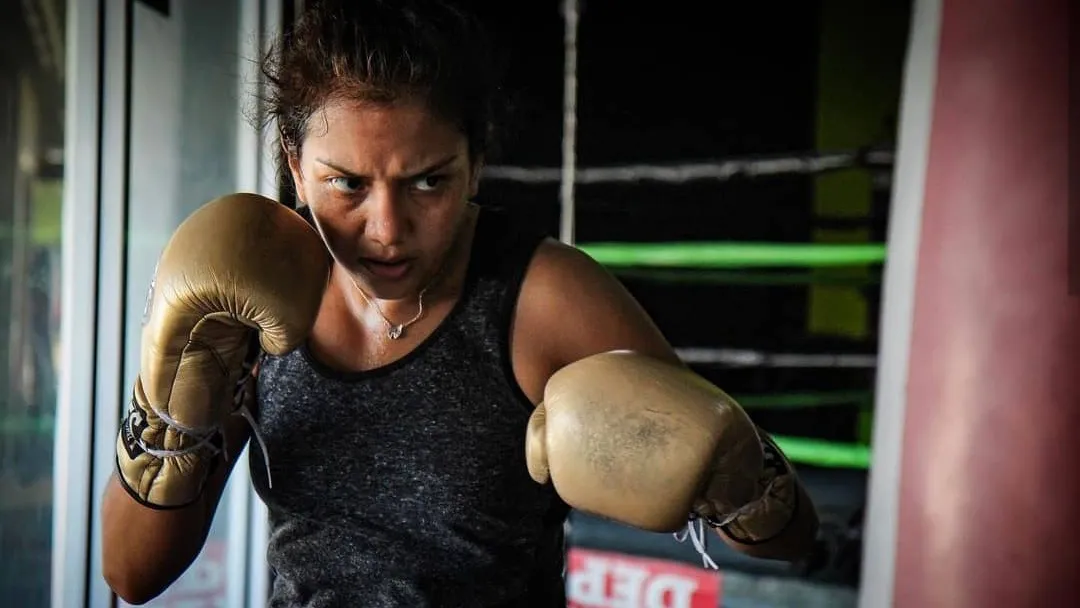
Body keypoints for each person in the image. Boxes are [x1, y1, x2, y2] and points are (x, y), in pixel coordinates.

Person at [100, 0, 820, 605]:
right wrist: (167, 412)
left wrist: (742, 479)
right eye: (347, 183)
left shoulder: (541, 299)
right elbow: (132, 574)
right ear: (295, 163)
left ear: (476, 162)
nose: (386, 229)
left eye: (428, 181)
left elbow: (793, 538)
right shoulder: (256, 284)